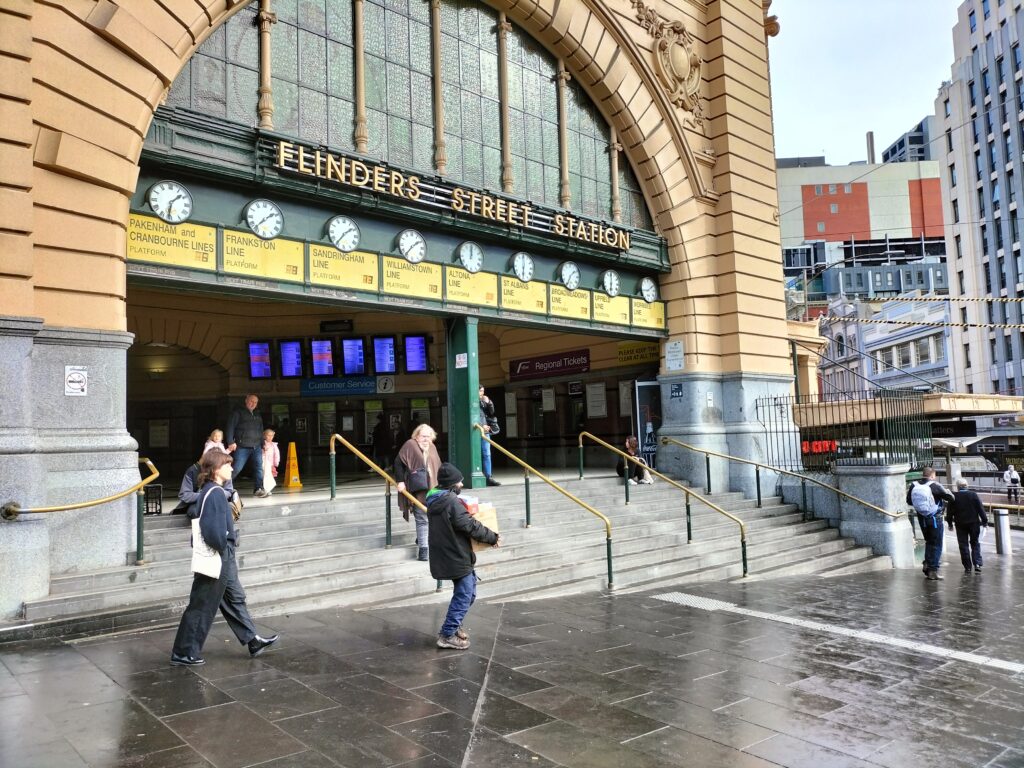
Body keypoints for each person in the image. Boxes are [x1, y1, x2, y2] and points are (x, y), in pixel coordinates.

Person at [170, 451, 278, 665]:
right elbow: (212, 531)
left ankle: (251, 639)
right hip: (218, 557)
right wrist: (226, 543)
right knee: (202, 606)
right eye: (227, 465)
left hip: (222, 556)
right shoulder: (216, 493)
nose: (231, 468)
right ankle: (184, 653)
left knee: (233, 596)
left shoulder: (212, 491)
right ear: (216, 469)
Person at [427, 462, 499, 650]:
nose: (461, 484)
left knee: (469, 592)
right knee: (465, 594)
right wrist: (492, 537)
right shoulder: (451, 502)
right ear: (452, 484)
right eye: (459, 482)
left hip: (448, 553)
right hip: (455, 554)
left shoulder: (436, 498)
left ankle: (454, 623)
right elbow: (469, 525)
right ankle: (447, 634)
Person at [395, 423, 443, 561]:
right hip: (418, 490)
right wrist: (400, 481)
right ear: (416, 436)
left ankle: (421, 539)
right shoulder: (410, 445)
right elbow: (398, 462)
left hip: (433, 490)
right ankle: (423, 551)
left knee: (433, 518)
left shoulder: (432, 447)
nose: (426, 439)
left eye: (428, 436)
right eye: (423, 436)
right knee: (422, 518)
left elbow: (438, 466)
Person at [906, 466, 955, 581]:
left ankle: (927, 563)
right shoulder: (935, 485)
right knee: (937, 543)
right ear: (932, 475)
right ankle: (933, 570)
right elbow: (951, 498)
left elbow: (909, 501)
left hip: (921, 518)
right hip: (935, 519)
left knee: (929, 541)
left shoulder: (914, 485)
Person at [226, 394, 268, 497]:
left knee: (258, 468)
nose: (253, 404)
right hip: (242, 446)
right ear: (246, 401)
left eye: (255, 402)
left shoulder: (257, 414)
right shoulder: (238, 413)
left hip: (256, 446)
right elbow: (230, 427)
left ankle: (258, 489)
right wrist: (230, 441)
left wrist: (263, 444)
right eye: (251, 401)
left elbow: (260, 430)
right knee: (236, 468)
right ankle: (223, 487)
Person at [172, 454, 239, 517]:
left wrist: (215, 495)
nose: (231, 469)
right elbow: (185, 495)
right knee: (196, 511)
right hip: (198, 504)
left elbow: (229, 491)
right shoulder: (193, 471)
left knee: (228, 509)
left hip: (219, 502)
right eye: (227, 466)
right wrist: (207, 495)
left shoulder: (226, 474)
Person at [947, 478, 989, 574]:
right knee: (975, 543)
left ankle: (967, 567)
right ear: (967, 485)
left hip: (960, 524)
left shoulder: (953, 497)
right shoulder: (973, 495)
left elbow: (949, 512)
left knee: (963, 545)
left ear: (957, 487)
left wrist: (950, 523)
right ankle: (977, 564)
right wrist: (985, 522)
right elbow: (980, 509)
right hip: (974, 523)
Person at [477, 386, 501, 486]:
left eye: (483, 391)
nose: (482, 393)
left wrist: (489, 402)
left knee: (487, 454)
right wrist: (482, 426)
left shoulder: (483, 402)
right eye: (480, 391)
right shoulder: (471, 402)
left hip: (485, 431)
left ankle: (488, 477)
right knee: (476, 454)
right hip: (477, 429)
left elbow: (491, 413)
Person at [261, 428, 280, 496]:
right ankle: (266, 489)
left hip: (271, 464)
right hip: (264, 462)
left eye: (272, 435)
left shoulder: (274, 445)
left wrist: (276, 463)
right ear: (264, 436)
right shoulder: (262, 444)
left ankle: (267, 489)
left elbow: (276, 455)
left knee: (269, 476)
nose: (270, 437)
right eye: (268, 435)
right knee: (265, 475)